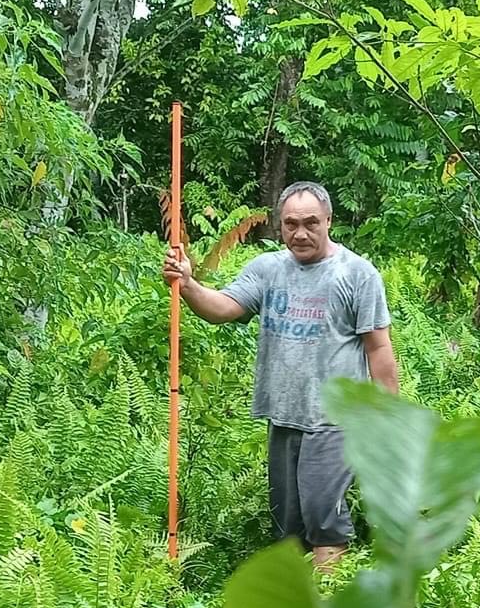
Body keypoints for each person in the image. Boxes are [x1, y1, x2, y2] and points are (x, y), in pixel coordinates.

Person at [162, 181, 398, 572]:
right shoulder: (268, 269)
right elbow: (224, 308)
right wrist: (187, 284)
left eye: (310, 223)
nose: (300, 233)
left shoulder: (357, 274)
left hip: (336, 419)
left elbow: (378, 348)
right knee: (287, 523)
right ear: (279, 224)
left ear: (328, 221)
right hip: (284, 414)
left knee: (323, 514)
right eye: (290, 224)